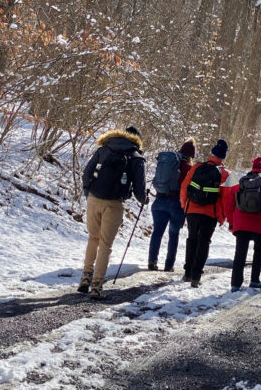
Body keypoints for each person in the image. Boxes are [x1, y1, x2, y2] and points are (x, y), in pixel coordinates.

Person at [79, 126, 147, 300]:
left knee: (93, 238)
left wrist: (88, 193)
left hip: (94, 198)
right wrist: (144, 199)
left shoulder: (104, 148)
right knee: (105, 244)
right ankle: (97, 285)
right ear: (137, 140)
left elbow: (87, 173)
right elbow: (139, 191)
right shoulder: (137, 158)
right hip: (114, 203)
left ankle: (85, 277)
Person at [180, 139, 231, 288]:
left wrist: (185, 205)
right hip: (211, 213)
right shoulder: (226, 174)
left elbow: (185, 186)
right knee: (204, 242)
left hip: (192, 210)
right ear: (223, 157)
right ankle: (196, 276)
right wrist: (222, 217)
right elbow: (227, 199)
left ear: (212, 153)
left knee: (192, 239)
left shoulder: (196, 167)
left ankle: (187, 272)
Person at [225, 157, 261, 291]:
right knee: (259, 252)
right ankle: (255, 280)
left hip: (241, 223)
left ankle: (235, 283)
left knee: (240, 253)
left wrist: (231, 222)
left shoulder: (241, 181)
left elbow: (230, 203)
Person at [148, 138, 196, 272]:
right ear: (191, 155)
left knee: (157, 232)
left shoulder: (169, 162)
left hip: (159, 200)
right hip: (176, 203)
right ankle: (169, 265)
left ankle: (152, 261)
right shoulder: (188, 168)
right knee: (173, 234)